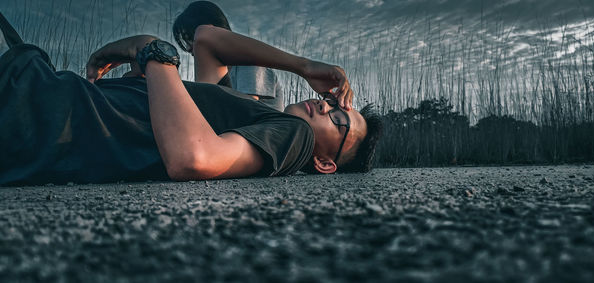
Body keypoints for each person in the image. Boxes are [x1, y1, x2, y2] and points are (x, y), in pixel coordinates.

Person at [0, 12, 382, 185]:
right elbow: (206, 38)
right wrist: (303, 65)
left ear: (325, 163)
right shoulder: (249, 116)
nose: (328, 106)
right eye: (336, 104)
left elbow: (193, 158)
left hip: (38, 114)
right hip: (42, 99)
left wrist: (151, 51)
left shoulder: (295, 135)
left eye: (340, 121)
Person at [173, 1, 284, 111]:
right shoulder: (218, 74)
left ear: (211, 30)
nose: (188, 48)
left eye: (192, 39)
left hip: (260, 125)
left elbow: (247, 108)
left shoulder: (247, 59)